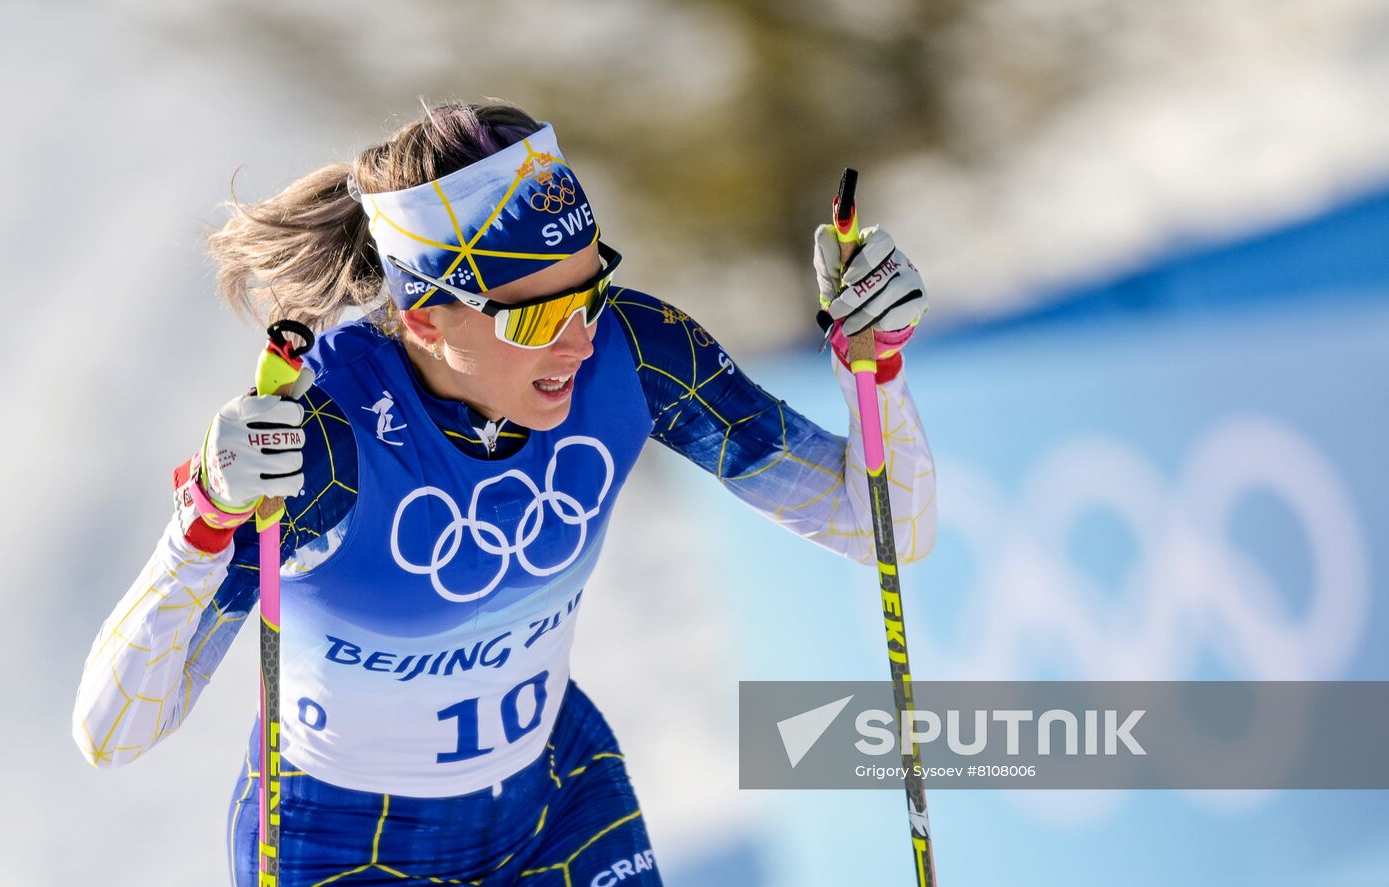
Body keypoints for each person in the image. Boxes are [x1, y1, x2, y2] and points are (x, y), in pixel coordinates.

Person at [71, 100, 936, 887]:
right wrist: (203, 524)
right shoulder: (330, 447)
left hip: (557, 797)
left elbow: (886, 528)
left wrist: (880, 366)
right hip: (347, 842)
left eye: (590, 291)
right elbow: (111, 734)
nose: (576, 341)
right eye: (530, 317)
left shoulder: (632, 354)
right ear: (422, 318)